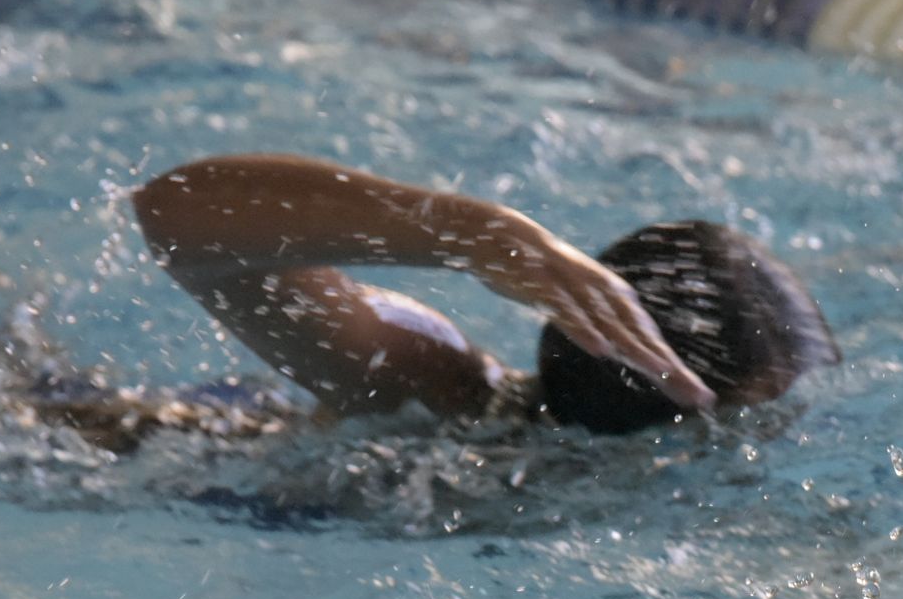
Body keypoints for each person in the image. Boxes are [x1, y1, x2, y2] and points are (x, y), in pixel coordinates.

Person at [129, 153, 841, 433]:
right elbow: (177, 214)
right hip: (140, 457)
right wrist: (463, 232)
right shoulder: (436, 385)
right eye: (744, 427)